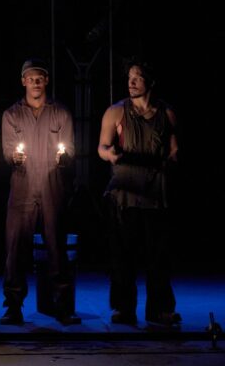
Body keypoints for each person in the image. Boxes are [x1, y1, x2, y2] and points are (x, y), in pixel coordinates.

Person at [97, 58, 181, 326]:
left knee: (158, 257)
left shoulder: (166, 113)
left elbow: (174, 149)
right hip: (125, 194)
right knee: (123, 256)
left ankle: (159, 309)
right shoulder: (116, 112)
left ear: (150, 82)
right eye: (130, 77)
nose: (131, 82)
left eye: (138, 77)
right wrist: (109, 154)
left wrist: (170, 160)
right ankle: (124, 308)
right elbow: (102, 147)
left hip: (155, 194)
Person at [0, 58, 80, 325]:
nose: (35, 82)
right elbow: (8, 152)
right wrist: (15, 158)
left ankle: (63, 306)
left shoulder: (61, 113)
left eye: (40, 78)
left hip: (51, 185)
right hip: (22, 187)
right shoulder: (11, 114)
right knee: (16, 247)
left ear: (46, 81)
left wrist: (65, 158)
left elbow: (68, 147)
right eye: (30, 78)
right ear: (23, 81)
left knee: (56, 246)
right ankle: (13, 306)